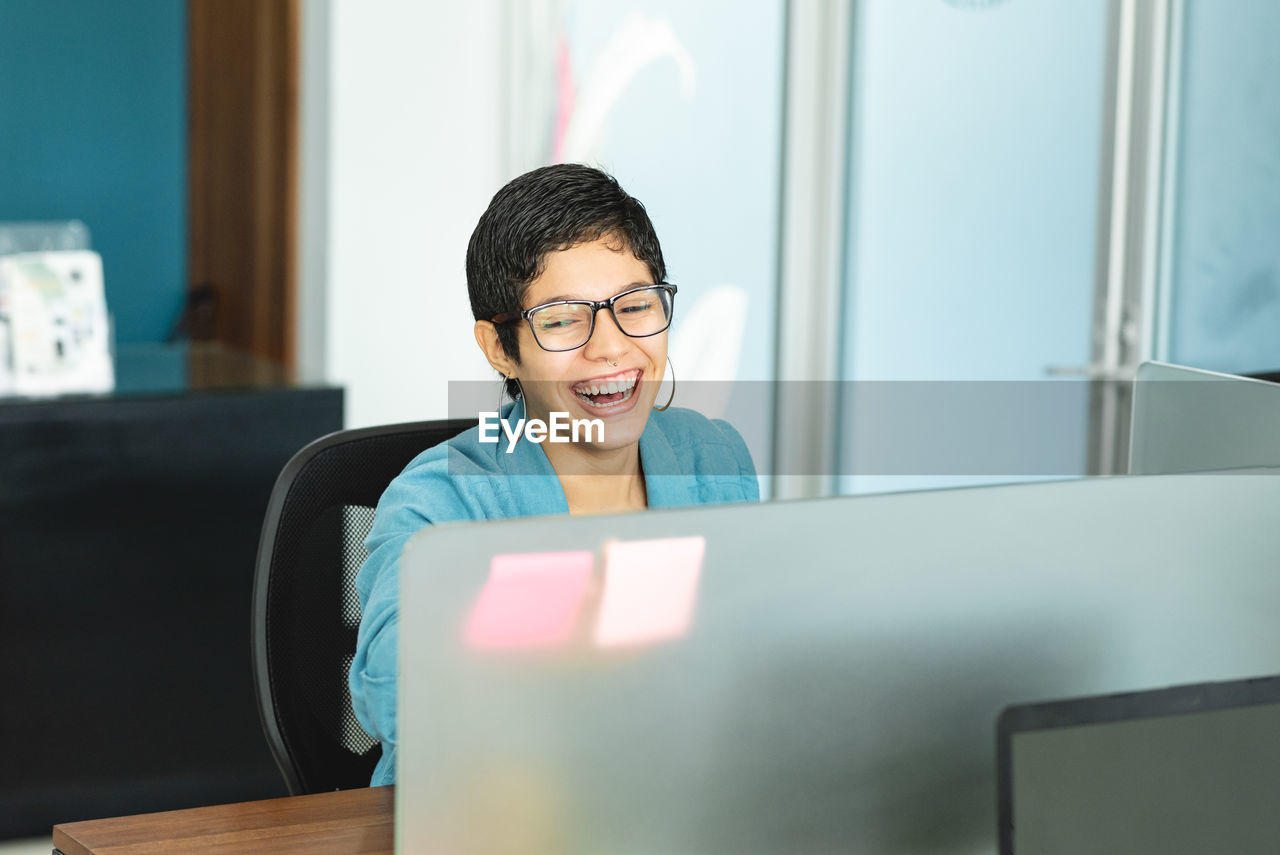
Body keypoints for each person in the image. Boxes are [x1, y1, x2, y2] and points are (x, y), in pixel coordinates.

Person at [349, 163, 758, 786]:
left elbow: (754, 660)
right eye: (563, 320)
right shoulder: (438, 502)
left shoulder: (715, 457)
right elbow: (397, 696)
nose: (613, 347)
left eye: (636, 306)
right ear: (498, 347)